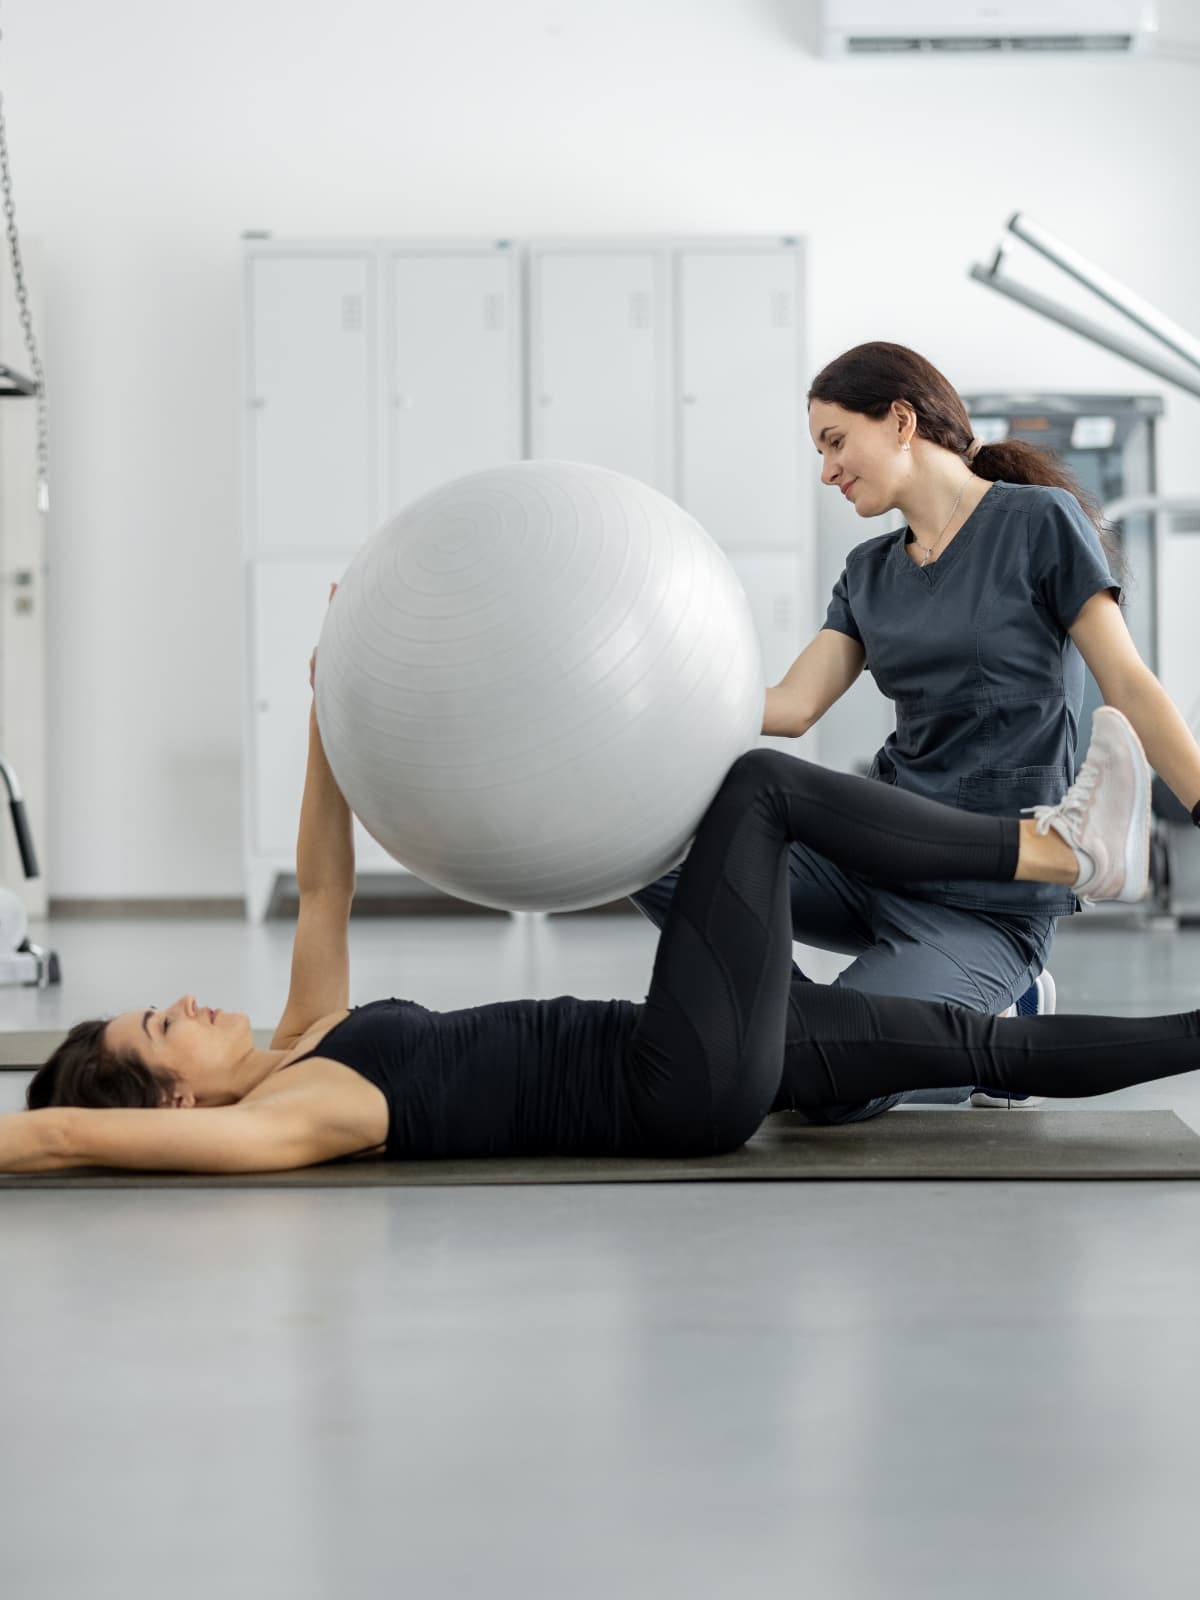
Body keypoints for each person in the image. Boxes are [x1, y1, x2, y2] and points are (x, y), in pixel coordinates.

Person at [5, 681, 1197, 1178]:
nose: (198, 1002)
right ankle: (1049, 852)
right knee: (757, 791)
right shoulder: (292, 1116)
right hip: (677, 1075)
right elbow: (58, 1137)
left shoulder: (306, 1039)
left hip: (701, 1059)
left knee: (973, 1047)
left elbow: (324, 887)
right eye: (168, 1024)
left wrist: (331, 702)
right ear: (170, 1102)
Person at [632, 341, 1200, 1118]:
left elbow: (1129, 683)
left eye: (834, 443)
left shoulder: (1037, 523)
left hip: (987, 897)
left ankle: (989, 1020)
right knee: (646, 852)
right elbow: (792, 707)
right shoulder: (869, 571)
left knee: (827, 1093)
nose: (826, 471)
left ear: (900, 420)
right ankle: (783, 1023)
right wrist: (648, 697)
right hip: (873, 854)